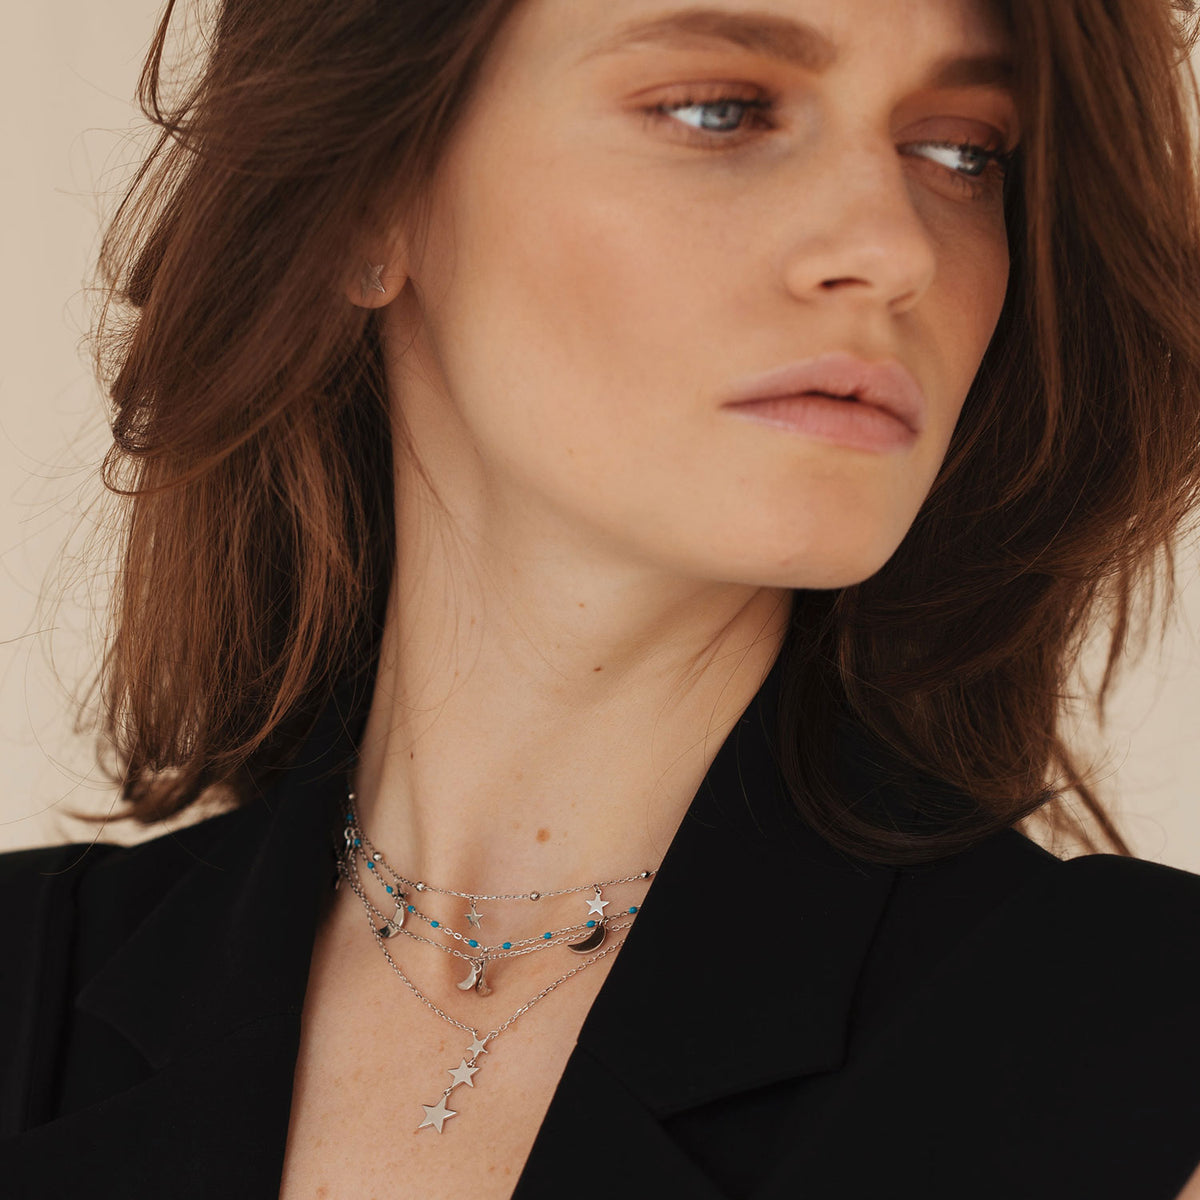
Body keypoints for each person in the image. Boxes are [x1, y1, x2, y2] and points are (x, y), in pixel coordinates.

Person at [3, 0, 1200, 1195]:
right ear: (366, 200)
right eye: (718, 112)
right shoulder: (25, 992)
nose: (896, 249)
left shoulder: (1144, 1057)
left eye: (961, 150)